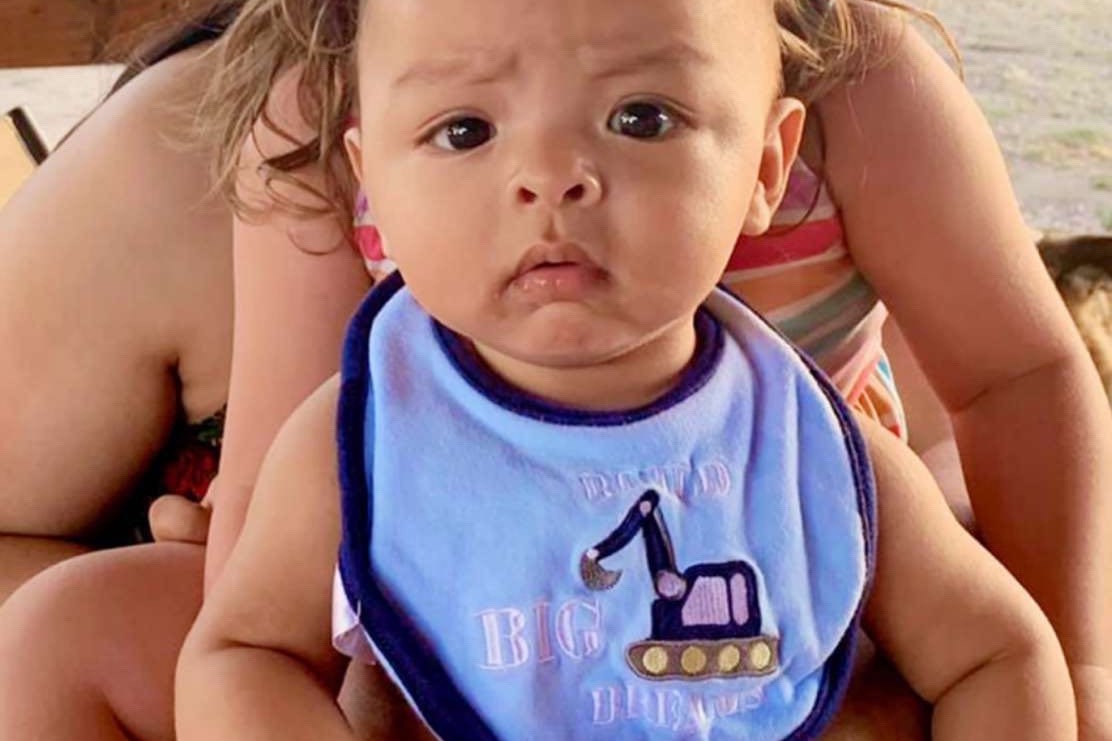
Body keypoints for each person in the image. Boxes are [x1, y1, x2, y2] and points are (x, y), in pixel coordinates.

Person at [0, 0, 1108, 736]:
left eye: (641, 117)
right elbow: (280, 476)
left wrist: (1077, 671)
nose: (550, 176)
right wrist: (309, 678)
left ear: (767, 161)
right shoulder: (315, 107)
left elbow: (1016, 377)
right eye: (464, 131)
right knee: (63, 632)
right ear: (370, 163)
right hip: (432, 617)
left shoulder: (860, 77)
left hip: (786, 577)